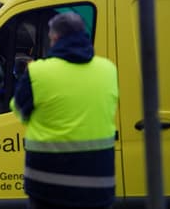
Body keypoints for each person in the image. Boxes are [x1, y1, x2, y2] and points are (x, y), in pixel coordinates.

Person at [11, 12, 119, 209]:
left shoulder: (38, 72)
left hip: (49, 188)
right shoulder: (108, 70)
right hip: (98, 186)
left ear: (55, 38)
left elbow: (19, 111)